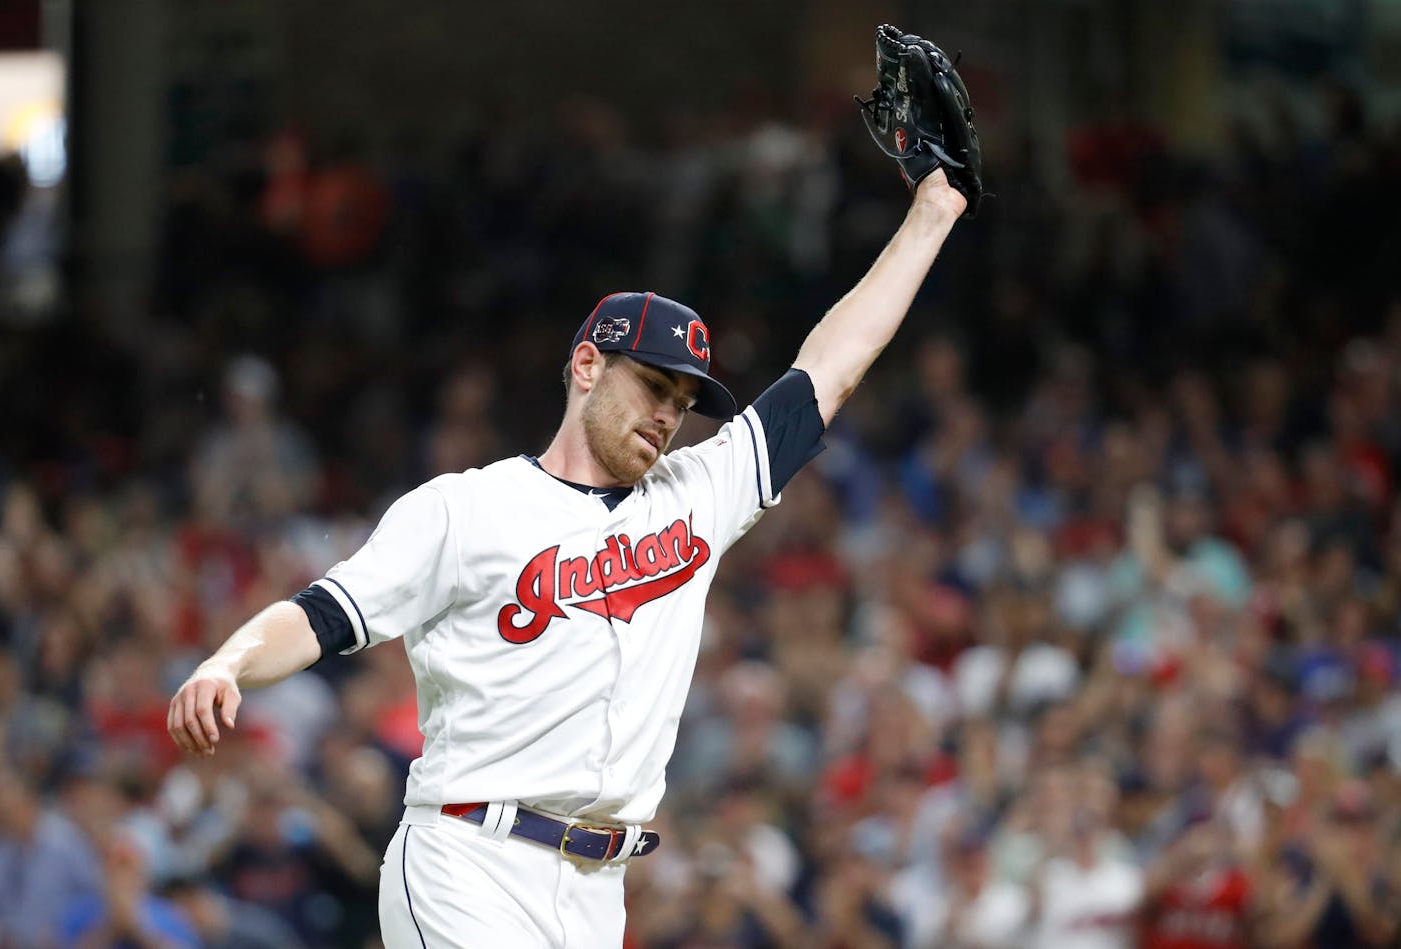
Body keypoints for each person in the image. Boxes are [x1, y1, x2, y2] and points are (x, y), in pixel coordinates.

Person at [169, 125, 967, 948]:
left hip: (596, 889)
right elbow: (321, 612)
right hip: (467, 858)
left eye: (684, 399)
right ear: (588, 365)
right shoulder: (466, 509)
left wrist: (933, 213)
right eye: (653, 384)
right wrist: (229, 660)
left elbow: (829, 368)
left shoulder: (696, 494)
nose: (668, 413)